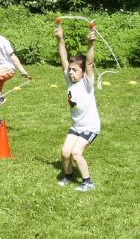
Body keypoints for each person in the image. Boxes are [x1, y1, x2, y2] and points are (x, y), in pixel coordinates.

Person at [54, 25, 100, 192]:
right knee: (65, 152)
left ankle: (88, 182)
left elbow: (89, 62)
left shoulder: (87, 83)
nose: (71, 73)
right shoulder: (69, 80)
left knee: (75, 153)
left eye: (75, 70)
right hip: (76, 126)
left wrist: (90, 44)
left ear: (83, 72)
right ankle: (68, 175)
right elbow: (63, 57)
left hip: (90, 126)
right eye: (70, 70)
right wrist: (60, 39)